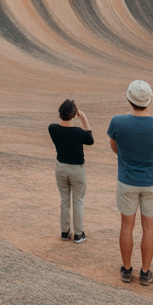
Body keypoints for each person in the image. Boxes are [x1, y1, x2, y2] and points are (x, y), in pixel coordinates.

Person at [107, 80, 153, 285]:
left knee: (127, 225)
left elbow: (115, 147)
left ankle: (126, 270)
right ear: (149, 100)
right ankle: (145, 273)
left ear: (129, 98)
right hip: (151, 181)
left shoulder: (117, 121)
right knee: (149, 228)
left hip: (127, 180)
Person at [49, 99, 94, 243]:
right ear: (73, 114)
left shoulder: (52, 128)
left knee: (65, 200)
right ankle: (79, 234)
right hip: (76, 170)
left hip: (61, 167)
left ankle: (65, 231)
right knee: (78, 201)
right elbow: (90, 139)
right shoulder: (79, 132)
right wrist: (84, 118)